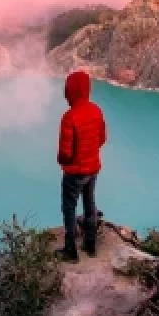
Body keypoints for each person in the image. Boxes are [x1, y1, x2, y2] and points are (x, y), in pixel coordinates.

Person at [56, 70, 106, 262]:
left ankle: (71, 251)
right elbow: (102, 138)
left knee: (69, 207)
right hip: (93, 169)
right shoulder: (96, 110)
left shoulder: (69, 117)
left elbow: (65, 154)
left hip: (74, 173)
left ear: (70, 91)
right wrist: (89, 152)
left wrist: (61, 161)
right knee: (89, 203)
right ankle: (90, 244)